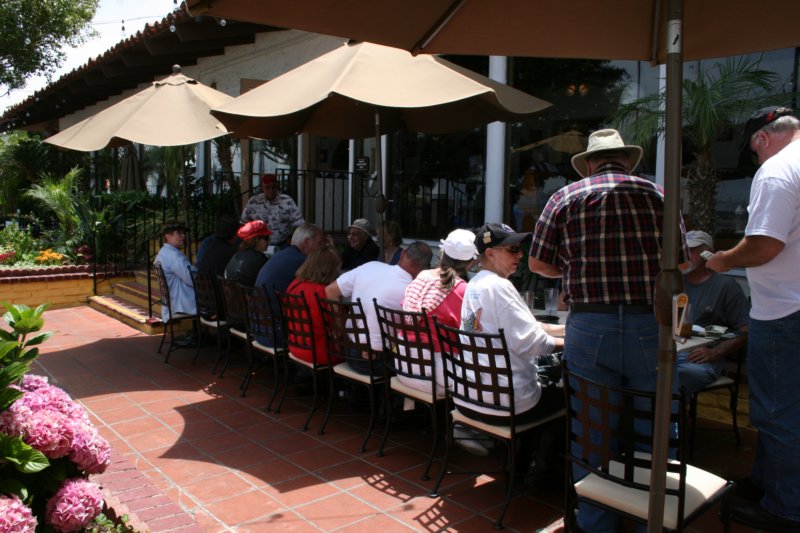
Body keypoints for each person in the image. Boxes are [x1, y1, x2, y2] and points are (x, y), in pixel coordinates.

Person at [528, 129, 680, 532]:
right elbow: (679, 262)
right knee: (654, 424)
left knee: (592, 430)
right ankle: (651, 516)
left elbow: (538, 263)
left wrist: (575, 269)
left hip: (590, 324)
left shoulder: (564, 197)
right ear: (627, 161)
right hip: (650, 323)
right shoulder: (659, 195)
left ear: (591, 163)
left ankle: (597, 523)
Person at [706, 106, 800, 530]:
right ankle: (765, 482)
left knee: (776, 412)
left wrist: (722, 260)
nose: (755, 161)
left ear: (762, 139)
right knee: (785, 409)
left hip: (784, 310)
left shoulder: (778, 169)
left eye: (753, 152)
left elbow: (763, 245)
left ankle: (783, 507)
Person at [459, 223, 565, 459]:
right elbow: (534, 345)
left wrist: (566, 329)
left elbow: (523, 328)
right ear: (490, 253)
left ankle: (519, 462)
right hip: (505, 405)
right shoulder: (500, 286)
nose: (520, 255)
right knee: (567, 399)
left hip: (471, 397)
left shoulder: (475, 283)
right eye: (512, 249)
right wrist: (572, 341)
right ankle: (534, 473)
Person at [325, 241, 433, 375]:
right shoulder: (414, 291)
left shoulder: (370, 266)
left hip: (348, 350)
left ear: (403, 254)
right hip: (378, 360)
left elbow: (330, 291)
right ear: (425, 268)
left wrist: (341, 331)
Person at [399, 228, 477, 395]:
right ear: (471, 263)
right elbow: (472, 335)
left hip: (403, 367)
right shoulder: (463, 290)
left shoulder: (422, 276)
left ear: (442, 253)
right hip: (435, 376)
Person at [678, 230, 749, 395]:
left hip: (699, 358)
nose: (685, 256)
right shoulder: (674, 282)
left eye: (691, 251)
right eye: (682, 252)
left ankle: (671, 418)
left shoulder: (725, 286)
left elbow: (746, 329)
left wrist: (716, 352)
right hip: (670, 353)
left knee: (679, 375)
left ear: (706, 253)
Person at [253, 223, 327, 347]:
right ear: (307, 242)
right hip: (276, 333)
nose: (322, 247)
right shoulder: (301, 261)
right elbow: (324, 287)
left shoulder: (282, 255)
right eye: (320, 243)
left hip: (258, 328)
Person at [285, 247, 344, 365]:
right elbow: (339, 328)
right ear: (328, 270)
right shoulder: (324, 293)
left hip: (295, 345)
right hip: (322, 352)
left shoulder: (294, 284)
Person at [240, 173, 304, 249]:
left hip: (282, 244)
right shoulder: (253, 201)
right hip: (258, 246)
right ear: (262, 187)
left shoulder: (287, 201)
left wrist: (293, 241)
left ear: (277, 187)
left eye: (274, 187)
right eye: (268, 187)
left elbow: (299, 224)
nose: (271, 190)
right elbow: (243, 223)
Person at [154, 221, 196, 322]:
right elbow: (193, 280)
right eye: (179, 233)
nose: (183, 236)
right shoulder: (174, 256)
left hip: (173, 303)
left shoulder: (163, 253)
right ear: (168, 236)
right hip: (183, 304)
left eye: (183, 233)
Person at [224, 220, 271, 286]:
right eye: (266, 238)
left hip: (231, 294)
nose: (269, 241)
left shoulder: (238, 254)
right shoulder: (259, 260)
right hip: (250, 295)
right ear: (257, 240)